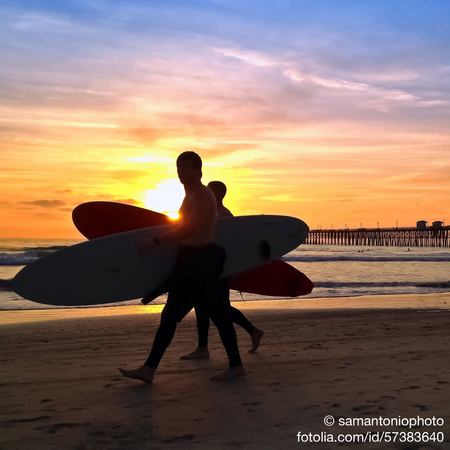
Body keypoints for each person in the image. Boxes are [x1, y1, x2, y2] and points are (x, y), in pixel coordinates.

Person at [119, 152, 245, 383]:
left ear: (199, 170)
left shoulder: (201, 194)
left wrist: (156, 241)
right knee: (173, 315)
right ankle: (149, 369)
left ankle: (236, 365)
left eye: (186, 167)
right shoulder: (190, 196)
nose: (181, 171)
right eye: (178, 167)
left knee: (215, 313)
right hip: (190, 258)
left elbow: (193, 228)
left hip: (203, 260)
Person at [181, 180, 264, 360]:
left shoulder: (225, 216)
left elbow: (235, 246)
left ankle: (248, 334)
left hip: (221, 268)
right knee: (208, 306)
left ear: (218, 194)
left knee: (215, 308)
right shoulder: (214, 213)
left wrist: (235, 270)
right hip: (211, 266)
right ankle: (205, 346)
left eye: (210, 191)